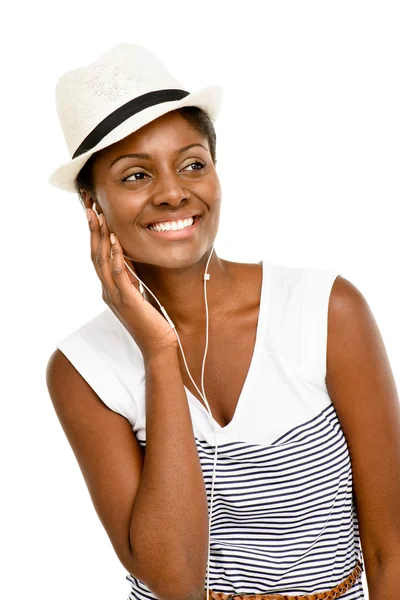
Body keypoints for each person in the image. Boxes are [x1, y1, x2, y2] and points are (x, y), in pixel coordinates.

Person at [45, 44, 400, 600]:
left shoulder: (326, 312)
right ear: (93, 206)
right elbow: (174, 582)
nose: (171, 192)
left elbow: (391, 550)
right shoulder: (82, 371)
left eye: (192, 164)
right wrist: (159, 352)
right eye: (135, 175)